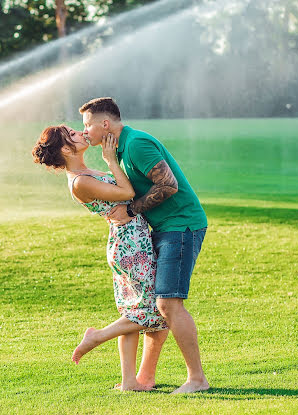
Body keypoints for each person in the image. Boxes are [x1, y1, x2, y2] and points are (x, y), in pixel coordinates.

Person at [79, 97, 209, 394]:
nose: (85, 132)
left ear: (105, 124)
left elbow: (169, 185)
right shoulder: (118, 150)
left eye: (88, 125)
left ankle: (197, 380)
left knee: (168, 304)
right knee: (156, 305)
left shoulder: (136, 144)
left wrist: (133, 210)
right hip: (163, 227)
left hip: (181, 224)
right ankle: (145, 378)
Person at [32, 125, 169, 391]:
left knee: (132, 312)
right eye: (72, 134)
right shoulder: (80, 181)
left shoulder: (86, 173)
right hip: (130, 243)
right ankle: (97, 336)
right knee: (152, 310)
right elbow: (127, 194)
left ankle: (130, 381)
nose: (80, 133)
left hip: (131, 239)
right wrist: (110, 161)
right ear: (64, 149)